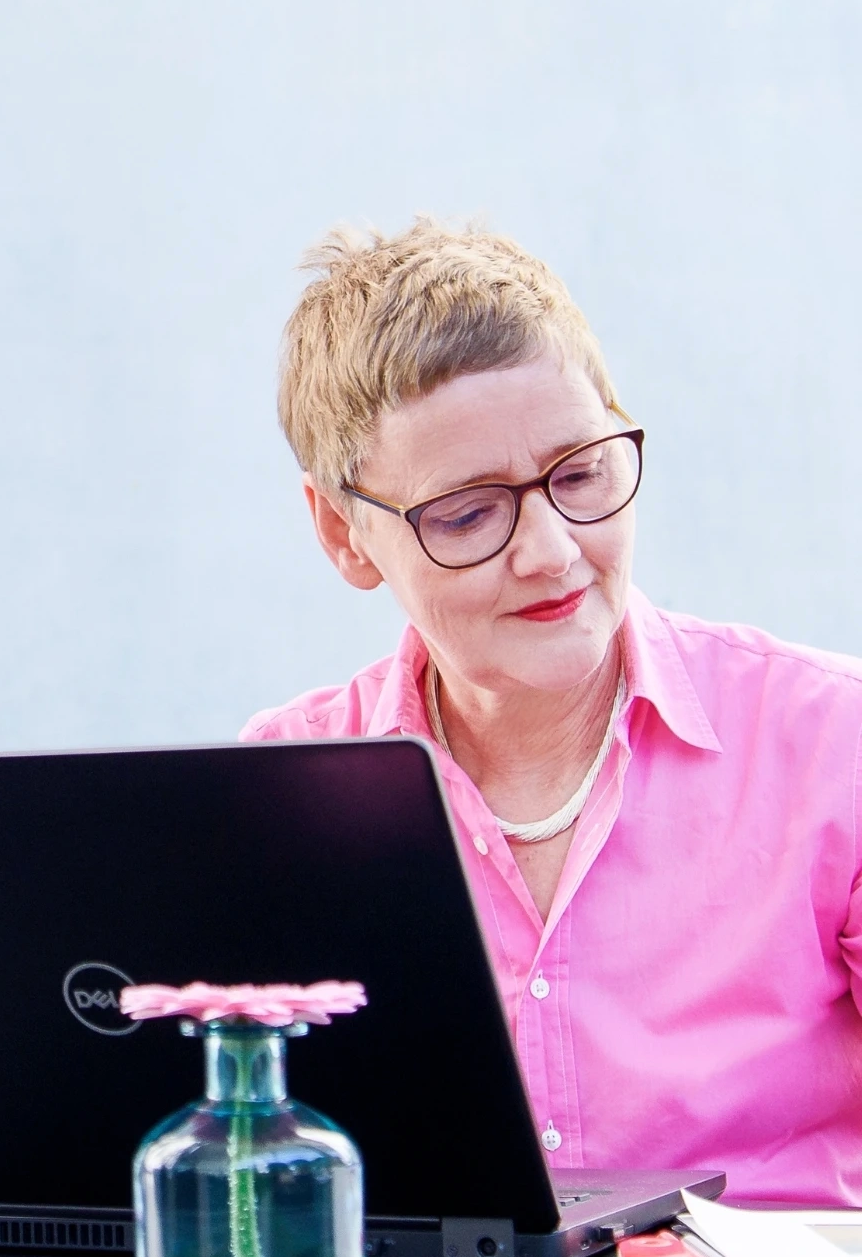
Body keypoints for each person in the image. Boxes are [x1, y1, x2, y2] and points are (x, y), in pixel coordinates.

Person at [241, 218, 862, 1207]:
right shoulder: (273, 792)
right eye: (469, 515)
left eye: (581, 475)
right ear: (342, 533)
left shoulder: (836, 747)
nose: (552, 552)